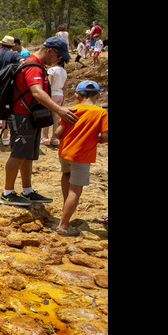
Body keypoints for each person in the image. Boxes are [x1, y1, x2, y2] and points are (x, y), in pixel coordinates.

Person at [0, 36, 78, 207]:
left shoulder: (38, 66)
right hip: (22, 116)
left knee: (27, 155)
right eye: (58, 56)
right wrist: (58, 110)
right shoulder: (33, 67)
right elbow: (36, 92)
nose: (59, 60)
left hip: (30, 116)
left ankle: (27, 191)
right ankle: (7, 193)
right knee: (18, 154)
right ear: (50, 51)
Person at [53, 80, 108, 235]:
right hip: (82, 156)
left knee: (66, 175)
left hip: (65, 152)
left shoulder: (73, 110)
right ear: (98, 95)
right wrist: (98, 139)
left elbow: (57, 133)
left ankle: (66, 208)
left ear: (77, 96)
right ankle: (63, 226)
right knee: (75, 190)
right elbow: (105, 136)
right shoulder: (101, 113)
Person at [42, 55, 67, 145]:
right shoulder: (64, 71)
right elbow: (64, 87)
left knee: (47, 115)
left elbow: (49, 84)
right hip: (59, 94)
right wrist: (63, 97)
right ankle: (54, 138)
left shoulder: (51, 70)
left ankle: (44, 137)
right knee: (56, 117)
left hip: (51, 94)